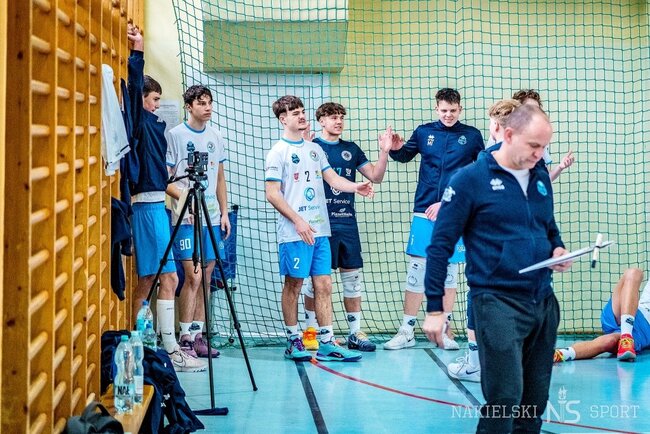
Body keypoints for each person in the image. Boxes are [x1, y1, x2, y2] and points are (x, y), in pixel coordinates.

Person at [423, 104, 573, 433]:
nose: (540, 154)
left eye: (544, 146)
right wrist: (435, 308)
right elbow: (439, 247)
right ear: (508, 134)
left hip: (543, 303)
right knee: (504, 399)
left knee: (534, 403)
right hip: (496, 303)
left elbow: (549, 228)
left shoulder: (540, 178)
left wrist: (558, 250)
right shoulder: (469, 180)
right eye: (534, 145)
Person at [265, 95, 374, 362]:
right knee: (294, 284)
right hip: (294, 232)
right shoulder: (278, 151)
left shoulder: (314, 149)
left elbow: (333, 178)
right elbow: (272, 194)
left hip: (321, 231)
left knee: (324, 284)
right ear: (283, 119)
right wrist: (297, 220)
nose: (302, 116)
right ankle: (293, 340)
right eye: (295, 113)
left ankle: (326, 342)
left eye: (302, 111)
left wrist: (356, 186)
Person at [126, 25, 205, 372]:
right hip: (145, 206)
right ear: (142, 99)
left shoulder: (154, 125)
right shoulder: (138, 120)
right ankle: (164, 349)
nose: (158, 105)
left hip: (157, 205)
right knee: (162, 279)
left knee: (156, 279)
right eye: (154, 99)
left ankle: (150, 348)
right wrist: (138, 51)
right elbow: (133, 86)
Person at [383, 88, 484, 351]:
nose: (448, 115)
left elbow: (479, 174)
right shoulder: (423, 132)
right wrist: (395, 148)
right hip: (424, 210)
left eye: (453, 110)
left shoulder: (472, 136)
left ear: (460, 109)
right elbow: (404, 155)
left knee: (449, 272)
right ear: (436, 109)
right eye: (444, 110)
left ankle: (444, 331)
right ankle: (406, 331)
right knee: (418, 270)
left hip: (455, 212)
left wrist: (450, 202)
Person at [301, 102, 403, 352]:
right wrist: (303, 148)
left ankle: (355, 333)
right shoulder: (312, 147)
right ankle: (310, 332)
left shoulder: (351, 149)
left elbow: (376, 176)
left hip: (347, 222)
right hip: (319, 224)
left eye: (341, 117)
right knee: (315, 282)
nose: (338, 121)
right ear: (321, 121)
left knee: (352, 280)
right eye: (333, 117)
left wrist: (384, 152)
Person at [447, 98, 521, 382]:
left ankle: (476, 363)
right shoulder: (533, 155)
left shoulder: (488, 156)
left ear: (496, 127)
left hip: (491, 243)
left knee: (478, 296)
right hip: (523, 242)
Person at [166, 85, 230, 360]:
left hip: (212, 217)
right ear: (189, 106)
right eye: (202, 103)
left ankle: (198, 335)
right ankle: (184, 338)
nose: (208, 107)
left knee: (206, 277)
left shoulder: (216, 136)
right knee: (191, 276)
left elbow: (219, 178)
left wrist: (224, 212)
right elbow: (166, 179)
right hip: (186, 218)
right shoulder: (175, 135)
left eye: (209, 102)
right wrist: (186, 200)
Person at [554, 268, 650, 363]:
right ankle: (626, 337)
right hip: (631, 311)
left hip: (644, 330)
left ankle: (556, 355)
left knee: (609, 342)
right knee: (634, 273)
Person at [511, 89, 575, 181]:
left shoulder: (540, 142)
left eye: (537, 110)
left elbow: (545, 179)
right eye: (529, 109)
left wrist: (560, 167)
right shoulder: (504, 138)